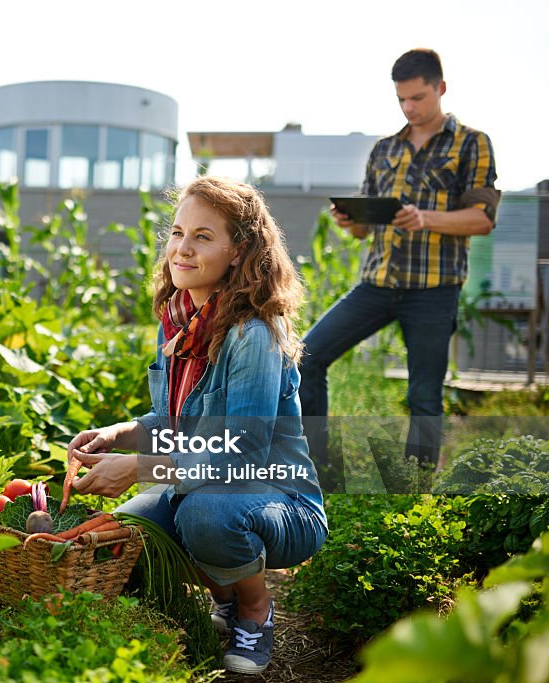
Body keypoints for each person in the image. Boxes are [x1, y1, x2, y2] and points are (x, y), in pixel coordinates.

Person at [67, 176, 328, 675]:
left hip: (280, 501)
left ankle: (254, 608)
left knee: (205, 515)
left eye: (203, 237)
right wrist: (120, 435)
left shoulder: (253, 333)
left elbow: (242, 452)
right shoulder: (181, 322)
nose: (182, 249)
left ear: (239, 251)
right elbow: (174, 423)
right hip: (201, 484)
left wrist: (140, 468)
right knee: (127, 533)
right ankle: (224, 590)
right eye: (177, 233)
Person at [298, 48, 499, 490]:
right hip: (377, 283)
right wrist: (351, 221)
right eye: (402, 100)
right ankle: (318, 470)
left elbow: (483, 219)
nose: (410, 107)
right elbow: (362, 234)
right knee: (305, 357)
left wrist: (426, 218)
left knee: (423, 396)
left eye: (418, 98)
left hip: (433, 289)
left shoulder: (472, 143)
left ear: (440, 89)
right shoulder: (384, 149)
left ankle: (414, 490)